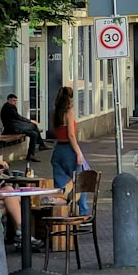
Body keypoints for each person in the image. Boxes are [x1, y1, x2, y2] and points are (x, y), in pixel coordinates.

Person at [50, 85, 89, 216]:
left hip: (58, 150)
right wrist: (78, 152)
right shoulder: (69, 113)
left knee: (60, 184)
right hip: (69, 150)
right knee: (79, 181)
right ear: (70, 98)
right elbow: (71, 135)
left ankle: (62, 212)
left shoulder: (56, 112)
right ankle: (83, 212)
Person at [0, 93, 50, 162]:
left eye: (16, 101)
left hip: (14, 127)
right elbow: (18, 117)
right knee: (33, 125)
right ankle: (41, 144)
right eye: (14, 100)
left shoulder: (8, 106)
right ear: (9, 100)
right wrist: (30, 121)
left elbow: (17, 118)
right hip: (13, 128)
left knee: (34, 134)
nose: (15, 102)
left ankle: (31, 154)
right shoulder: (9, 107)